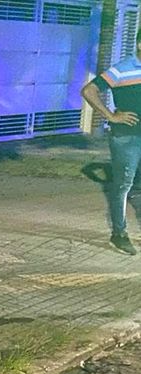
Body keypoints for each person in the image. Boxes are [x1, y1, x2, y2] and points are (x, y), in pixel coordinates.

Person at [81, 31, 141, 256]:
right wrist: (111, 116)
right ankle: (119, 234)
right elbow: (89, 90)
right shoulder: (122, 69)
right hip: (127, 137)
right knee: (123, 185)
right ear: (140, 44)